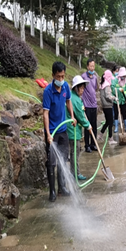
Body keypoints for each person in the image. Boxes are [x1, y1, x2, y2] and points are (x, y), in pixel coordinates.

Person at [43, 61, 77, 202]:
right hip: (52, 132)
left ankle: (62, 188)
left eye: (63, 76)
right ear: (53, 75)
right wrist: (48, 134)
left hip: (63, 130)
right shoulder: (48, 91)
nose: (61, 80)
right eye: (58, 77)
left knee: (63, 160)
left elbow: (68, 101)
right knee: (52, 162)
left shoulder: (65, 88)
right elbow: (45, 113)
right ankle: (52, 191)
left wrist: (73, 117)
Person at [67, 75, 93, 181]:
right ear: (76, 88)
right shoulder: (75, 99)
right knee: (75, 153)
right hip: (72, 130)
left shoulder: (75, 98)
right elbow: (80, 116)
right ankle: (75, 174)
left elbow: (81, 113)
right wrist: (88, 126)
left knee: (74, 152)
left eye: (83, 88)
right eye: (81, 88)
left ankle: (74, 173)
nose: (82, 90)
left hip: (74, 130)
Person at [81, 58, 99, 153]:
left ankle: (93, 144)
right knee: (87, 126)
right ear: (87, 66)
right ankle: (87, 145)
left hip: (94, 105)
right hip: (86, 105)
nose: (92, 68)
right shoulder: (83, 77)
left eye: (93, 66)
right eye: (91, 66)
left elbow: (95, 89)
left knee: (94, 126)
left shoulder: (95, 77)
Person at [98, 70, 118, 145]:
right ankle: (110, 138)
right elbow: (108, 96)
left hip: (104, 106)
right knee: (110, 122)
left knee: (107, 121)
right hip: (108, 106)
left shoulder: (102, 85)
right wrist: (114, 98)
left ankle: (100, 134)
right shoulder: (107, 85)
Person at [112, 67, 126, 134]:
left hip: (123, 100)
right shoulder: (115, 80)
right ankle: (116, 127)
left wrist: (124, 91)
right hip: (116, 100)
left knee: (124, 114)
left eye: (124, 76)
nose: (123, 77)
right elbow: (112, 88)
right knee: (116, 114)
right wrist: (117, 89)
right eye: (122, 76)